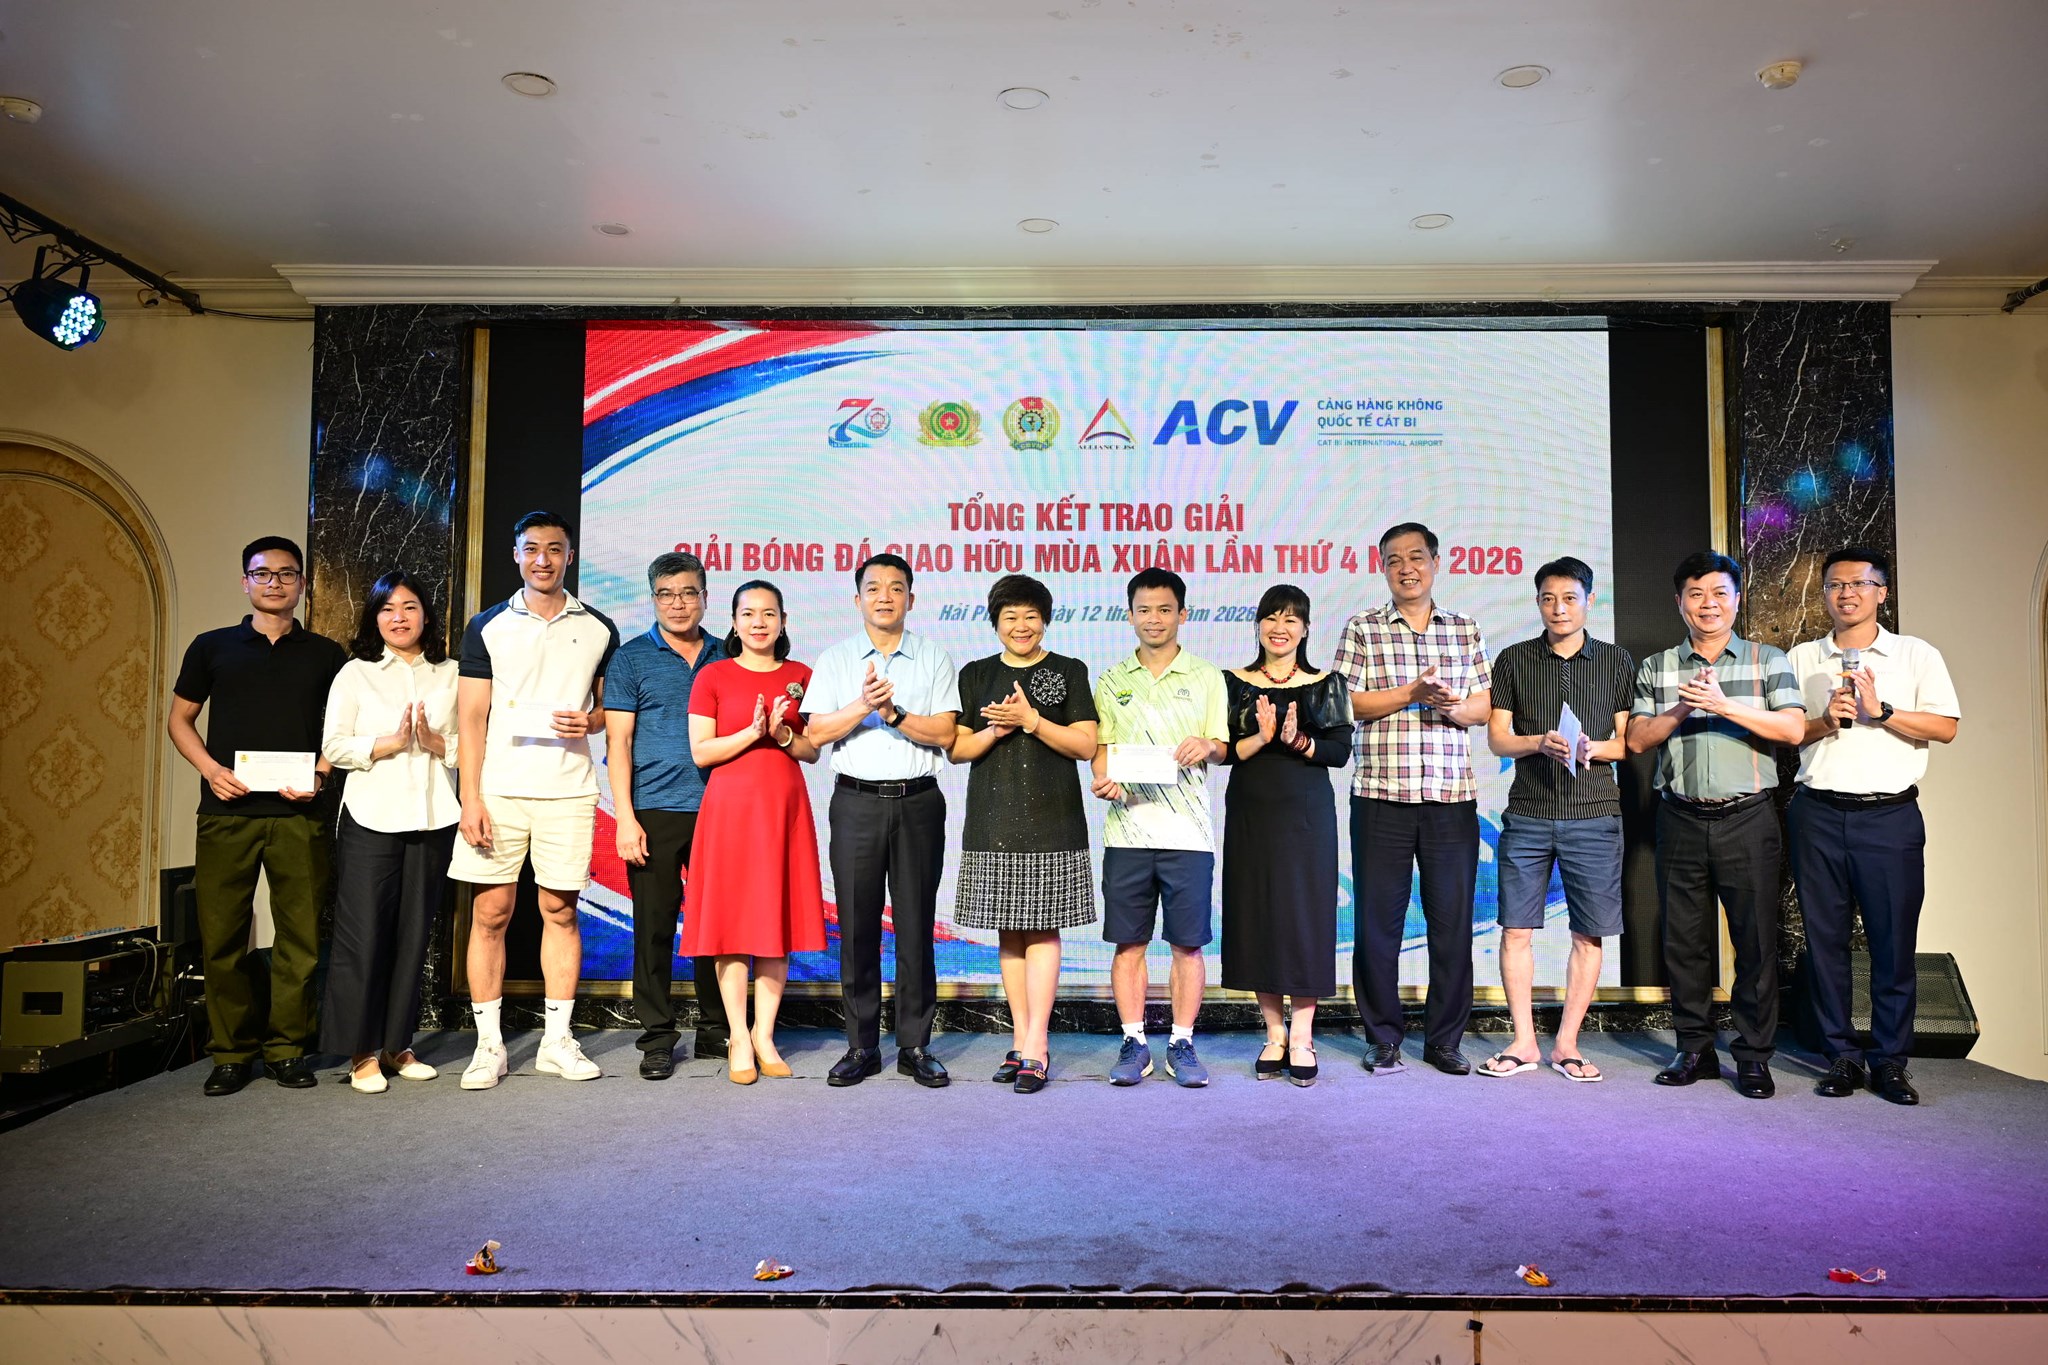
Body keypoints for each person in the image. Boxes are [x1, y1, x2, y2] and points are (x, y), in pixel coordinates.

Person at [169, 535, 346, 1096]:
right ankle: (231, 1053)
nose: (275, 582)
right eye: (262, 573)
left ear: (302, 584)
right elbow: (179, 720)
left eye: (286, 574)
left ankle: (288, 1049)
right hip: (228, 813)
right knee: (222, 937)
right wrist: (210, 770)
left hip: (299, 816)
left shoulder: (327, 655)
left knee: (301, 938)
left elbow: (344, 730)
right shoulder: (212, 647)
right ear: (245, 581)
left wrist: (321, 774)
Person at [1627, 550, 1805, 1099]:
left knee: (1755, 942)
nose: (1709, 604)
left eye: (1719, 593)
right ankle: (1695, 1050)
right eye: (1696, 594)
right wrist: (1684, 707)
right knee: (1685, 943)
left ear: (1737, 599)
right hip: (1679, 816)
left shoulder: (1767, 658)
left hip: (1748, 817)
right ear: (1679, 602)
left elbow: (1793, 730)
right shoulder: (1658, 666)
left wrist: (1723, 705)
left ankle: (1753, 1056)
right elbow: (1637, 740)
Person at [451, 511, 619, 1090]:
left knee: (561, 912)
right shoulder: (488, 625)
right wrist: (470, 798)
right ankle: (488, 1046)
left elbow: (608, 711)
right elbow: (470, 718)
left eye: (553, 548)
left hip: (568, 790)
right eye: (531, 548)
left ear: (569, 555)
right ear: (515, 555)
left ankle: (556, 1041)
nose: (542, 559)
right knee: (490, 914)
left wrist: (590, 721)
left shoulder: (598, 627)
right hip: (498, 792)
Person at [1788, 546, 1960, 1106]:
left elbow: (1946, 727)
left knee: (1893, 944)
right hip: (1817, 814)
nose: (1847, 594)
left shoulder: (1915, 654)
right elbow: (1785, 733)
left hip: (1890, 817)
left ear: (1882, 592)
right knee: (1825, 944)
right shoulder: (1801, 657)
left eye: (1859, 584)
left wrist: (1881, 711)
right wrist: (1825, 721)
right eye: (1835, 585)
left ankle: (1890, 1061)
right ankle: (1840, 1056)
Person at [1333, 522, 1493, 1077]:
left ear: (1436, 563)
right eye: (1395, 560)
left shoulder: (1464, 628)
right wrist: (1411, 694)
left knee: (1453, 925)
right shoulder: (1363, 628)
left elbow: (1483, 706)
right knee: (1378, 926)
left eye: (1417, 557)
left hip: (1451, 799)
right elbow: (1345, 703)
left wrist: (1450, 705)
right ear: (1383, 568)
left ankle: (1444, 1040)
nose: (1407, 568)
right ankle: (1383, 1037)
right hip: (1381, 797)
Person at [800, 554, 961, 1089]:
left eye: (896, 588)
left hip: (918, 803)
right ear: (857, 599)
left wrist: (894, 715)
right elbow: (817, 733)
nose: (885, 596)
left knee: (915, 925)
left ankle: (915, 1045)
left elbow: (945, 733)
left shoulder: (933, 657)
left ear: (911, 599)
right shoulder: (836, 658)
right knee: (857, 927)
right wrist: (863, 704)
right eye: (874, 588)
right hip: (856, 804)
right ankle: (861, 1045)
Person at [1480, 557, 1635, 1082]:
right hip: (1528, 813)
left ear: (1590, 600)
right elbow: (1498, 738)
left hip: (1594, 813)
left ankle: (1567, 1044)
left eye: (1569, 598)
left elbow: (1627, 742)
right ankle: (1523, 1041)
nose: (1559, 608)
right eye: (1548, 598)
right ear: (1538, 602)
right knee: (1515, 931)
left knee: (1589, 934)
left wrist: (1595, 748)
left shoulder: (1616, 661)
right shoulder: (1514, 659)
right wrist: (1537, 742)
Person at [951, 574, 1100, 1094]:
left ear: (1046, 621)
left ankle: (1037, 1043)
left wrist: (1032, 720)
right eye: (1010, 616)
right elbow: (958, 749)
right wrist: (997, 729)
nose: (1021, 626)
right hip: (991, 818)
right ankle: (1020, 1039)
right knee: (1009, 933)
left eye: (1030, 616)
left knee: (1043, 930)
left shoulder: (1069, 670)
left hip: (1053, 819)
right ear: (995, 623)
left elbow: (1085, 745)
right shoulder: (976, 674)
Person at [318, 571, 461, 1093]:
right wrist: (389, 743)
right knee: (364, 938)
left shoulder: (452, 673)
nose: (398, 618)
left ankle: (397, 1045)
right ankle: (360, 1052)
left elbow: (474, 745)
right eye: (387, 609)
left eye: (409, 607)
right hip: (370, 820)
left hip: (433, 817)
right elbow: (334, 746)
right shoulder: (355, 673)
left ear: (427, 614)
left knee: (414, 935)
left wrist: (436, 742)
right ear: (374, 617)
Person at [681, 579, 826, 1085]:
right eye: (748, 613)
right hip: (730, 811)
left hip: (783, 809)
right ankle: (738, 1036)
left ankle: (765, 1034)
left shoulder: (802, 675)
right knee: (732, 924)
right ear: (734, 621)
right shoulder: (713, 675)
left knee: (774, 921)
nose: (759, 622)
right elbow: (702, 751)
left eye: (768, 614)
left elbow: (812, 750)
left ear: (783, 621)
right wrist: (752, 731)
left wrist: (783, 734)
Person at [1089, 567, 1228, 1088]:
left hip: (1188, 835)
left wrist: (1207, 746)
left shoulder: (1206, 676)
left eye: (1165, 609)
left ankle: (1182, 1042)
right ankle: (1134, 1041)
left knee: (1188, 946)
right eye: (1144, 609)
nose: (1154, 619)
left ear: (1182, 615)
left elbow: (1222, 747)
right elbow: (1102, 752)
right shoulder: (1111, 680)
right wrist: (1104, 780)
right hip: (1126, 832)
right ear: (1130, 616)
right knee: (1129, 944)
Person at [602, 551, 733, 1081]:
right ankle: (657, 1037)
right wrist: (625, 818)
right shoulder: (631, 658)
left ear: (705, 597)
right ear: (653, 598)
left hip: (720, 809)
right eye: (666, 594)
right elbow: (617, 742)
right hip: (653, 811)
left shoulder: (730, 654)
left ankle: (718, 1028)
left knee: (716, 927)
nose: (678, 604)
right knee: (653, 929)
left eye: (688, 593)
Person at [1218, 585, 1353, 1086]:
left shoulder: (1327, 683)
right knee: (1258, 916)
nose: (1280, 628)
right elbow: (1222, 750)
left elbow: (1340, 752)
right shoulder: (1232, 682)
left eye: (1291, 619)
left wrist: (1300, 740)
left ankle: (1302, 1036)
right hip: (1251, 814)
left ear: (1306, 629)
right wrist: (1260, 736)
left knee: (1303, 918)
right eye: (1272, 618)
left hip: (1307, 818)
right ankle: (1274, 1033)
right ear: (1258, 625)